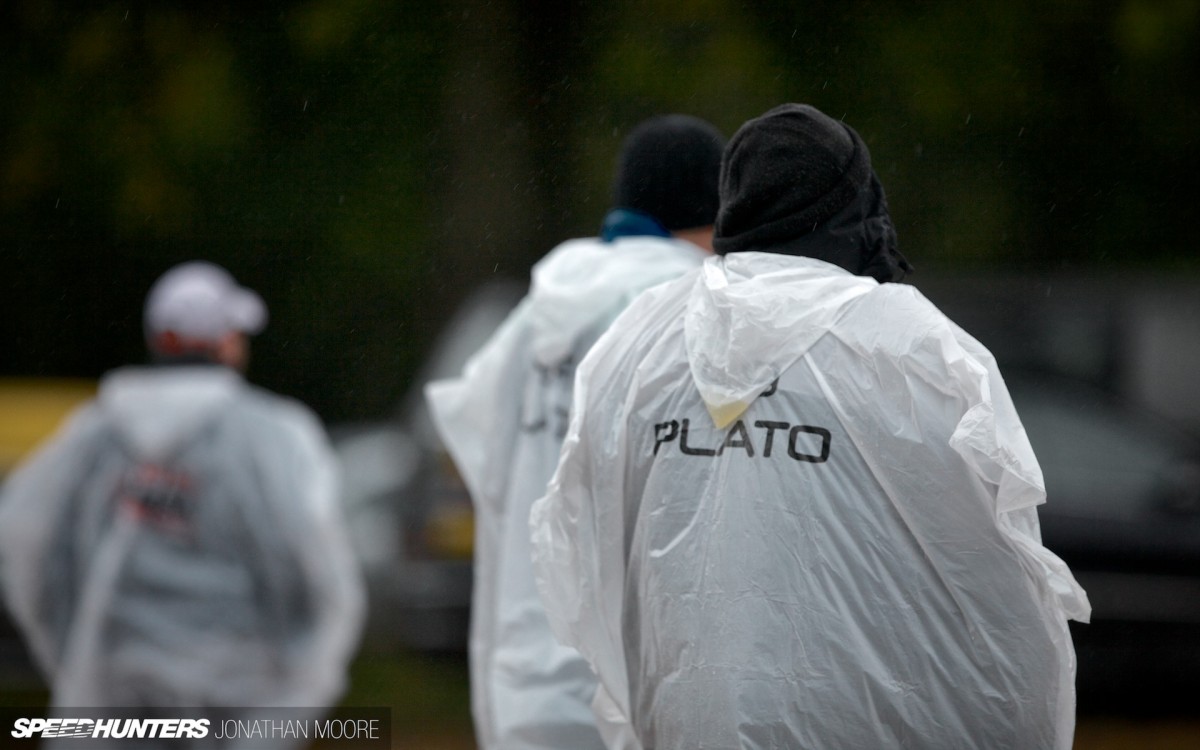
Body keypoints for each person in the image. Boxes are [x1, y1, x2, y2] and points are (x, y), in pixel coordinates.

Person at [529, 103, 1092, 750]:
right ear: (856, 204)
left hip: (687, 722)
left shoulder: (641, 342)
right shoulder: (916, 351)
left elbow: (578, 539)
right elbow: (1001, 568)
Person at [425, 114, 726, 750]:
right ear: (714, 207)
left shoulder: (539, 310)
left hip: (526, 666)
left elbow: (471, 436)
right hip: (632, 680)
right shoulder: (690, 303)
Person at [0, 261, 365, 717]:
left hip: (110, 699)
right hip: (233, 704)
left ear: (161, 340)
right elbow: (311, 567)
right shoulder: (270, 437)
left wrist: (68, 658)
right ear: (224, 343)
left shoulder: (95, 433)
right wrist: (298, 682)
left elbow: (26, 545)